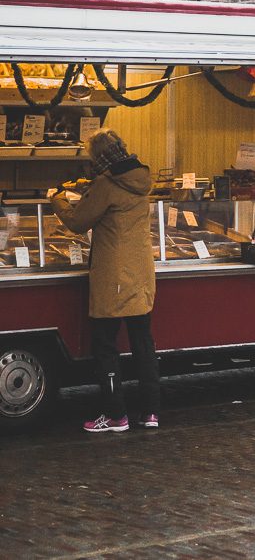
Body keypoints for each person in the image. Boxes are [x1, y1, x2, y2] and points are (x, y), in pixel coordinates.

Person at [52, 128, 160, 433]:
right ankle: (151, 412)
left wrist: (56, 199)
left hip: (113, 276)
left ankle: (116, 416)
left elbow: (76, 222)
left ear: (98, 157)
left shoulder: (106, 185)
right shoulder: (141, 178)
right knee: (143, 343)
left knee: (105, 346)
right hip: (141, 274)